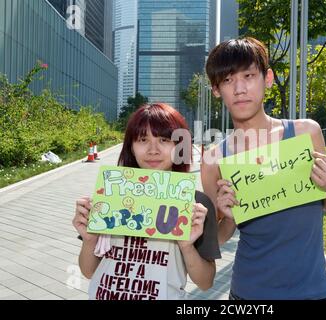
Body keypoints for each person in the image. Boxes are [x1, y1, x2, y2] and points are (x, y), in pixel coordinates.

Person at [201, 37, 326, 300]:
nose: (240, 89)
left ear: (267, 78)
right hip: (248, 293)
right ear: (216, 89)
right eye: (228, 80)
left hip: (313, 291)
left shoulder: (306, 133)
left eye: (248, 75)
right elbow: (215, 241)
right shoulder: (213, 160)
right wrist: (227, 215)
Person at [72, 103, 221, 300]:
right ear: (131, 147)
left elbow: (205, 282)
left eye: (164, 140)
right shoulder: (112, 194)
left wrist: (186, 246)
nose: (153, 150)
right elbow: (89, 271)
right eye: (143, 139)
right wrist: (90, 240)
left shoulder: (196, 205)